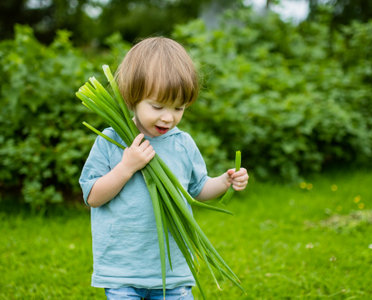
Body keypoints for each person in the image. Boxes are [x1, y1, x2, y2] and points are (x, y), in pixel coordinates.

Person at [79, 37, 249, 300]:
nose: (169, 117)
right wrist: (127, 167)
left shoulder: (182, 143)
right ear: (131, 98)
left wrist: (225, 181)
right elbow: (93, 197)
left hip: (173, 272)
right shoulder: (111, 141)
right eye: (157, 106)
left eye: (179, 108)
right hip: (123, 270)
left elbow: (198, 189)